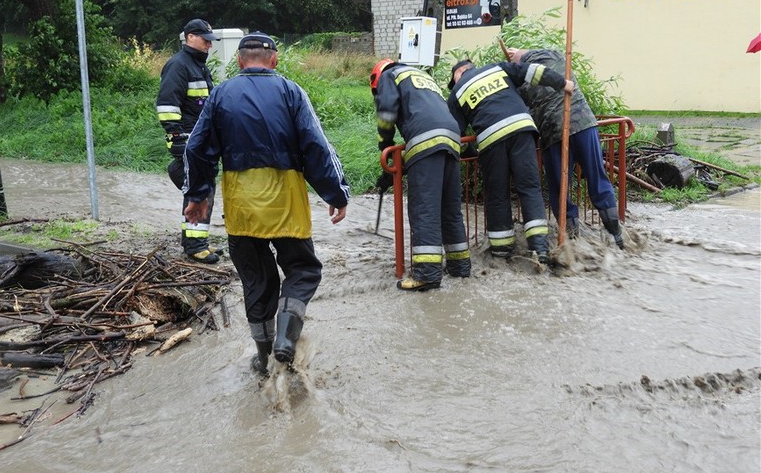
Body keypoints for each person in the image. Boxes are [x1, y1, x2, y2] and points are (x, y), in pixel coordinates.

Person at [183, 32, 350, 374]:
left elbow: (196, 149)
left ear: (240, 61)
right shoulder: (291, 92)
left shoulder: (221, 95)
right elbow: (316, 147)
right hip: (286, 204)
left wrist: (197, 195)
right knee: (303, 270)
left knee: (257, 283)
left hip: (242, 208)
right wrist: (336, 193)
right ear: (274, 60)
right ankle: (286, 340)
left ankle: (263, 359)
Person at [447, 59, 574, 263]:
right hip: (521, 130)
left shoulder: (456, 94)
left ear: (461, 71)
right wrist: (562, 83)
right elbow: (532, 71)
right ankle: (540, 250)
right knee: (530, 188)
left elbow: (456, 134)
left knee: (497, 195)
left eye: (454, 79)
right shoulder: (497, 67)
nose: (454, 84)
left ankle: (501, 253)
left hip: (490, 140)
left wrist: (471, 151)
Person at [370, 59, 471, 291]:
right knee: (450, 209)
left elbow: (386, 114)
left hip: (425, 139)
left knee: (425, 209)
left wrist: (385, 146)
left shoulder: (389, 76)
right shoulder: (422, 78)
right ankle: (460, 267)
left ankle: (427, 274)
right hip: (452, 139)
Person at [507, 47, 624, 248]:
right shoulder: (554, 55)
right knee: (598, 178)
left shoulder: (520, 80)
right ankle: (618, 237)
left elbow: (523, 108)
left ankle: (572, 242)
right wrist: (520, 53)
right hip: (583, 123)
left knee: (559, 189)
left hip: (555, 133)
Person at [156, 18, 220, 264]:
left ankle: (195, 241)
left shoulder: (198, 65)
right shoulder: (178, 65)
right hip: (188, 142)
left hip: (200, 142)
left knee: (202, 186)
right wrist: (179, 137)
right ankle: (195, 246)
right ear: (190, 37)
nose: (209, 46)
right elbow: (166, 107)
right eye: (205, 40)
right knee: (200, 188)